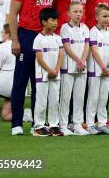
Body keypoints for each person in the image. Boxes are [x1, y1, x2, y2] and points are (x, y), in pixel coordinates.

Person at [9, 0, 58, 136]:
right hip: (26, 35)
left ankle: (37, 123)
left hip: (44, 37)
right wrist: (15, 40)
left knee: (40, 82)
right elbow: (12, 14)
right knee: (21, 80)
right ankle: (16, 123)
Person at [58, 2, 90, 136]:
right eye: (75, 11)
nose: (78, 14)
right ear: (69, 14)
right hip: (68, 67)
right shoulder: (65, 28)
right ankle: (63, 125)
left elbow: (87, 45)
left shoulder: (85, 28)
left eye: (80, 12)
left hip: (81, 68)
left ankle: (77, 124)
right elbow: (66, 46)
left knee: (79, 97)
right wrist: (77, 60)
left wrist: (82, 61)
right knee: (65, 98)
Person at [32, 8, 64, 137]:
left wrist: (56, 69)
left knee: (54, 100)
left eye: (56, 20)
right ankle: (38, 126)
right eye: (52, 20)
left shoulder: (57, 38)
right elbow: (39, 58)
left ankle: (53, 125)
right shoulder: (38, 39)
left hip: (55, 75)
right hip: (43, 76)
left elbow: (61, 55)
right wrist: (49, 70)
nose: (55, 23)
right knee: (41, 101)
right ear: (44, 22)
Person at [86, 4, 109, 135]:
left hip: (107, 71)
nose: (106, 19)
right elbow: (94, 51)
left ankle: (102, 123)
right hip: (95, 70)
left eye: (108, 16)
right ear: (97, 17)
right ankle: (90, 124)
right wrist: (103, 67)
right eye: (104, 16)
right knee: (93, 97)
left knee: (104, 98)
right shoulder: (92, 31)